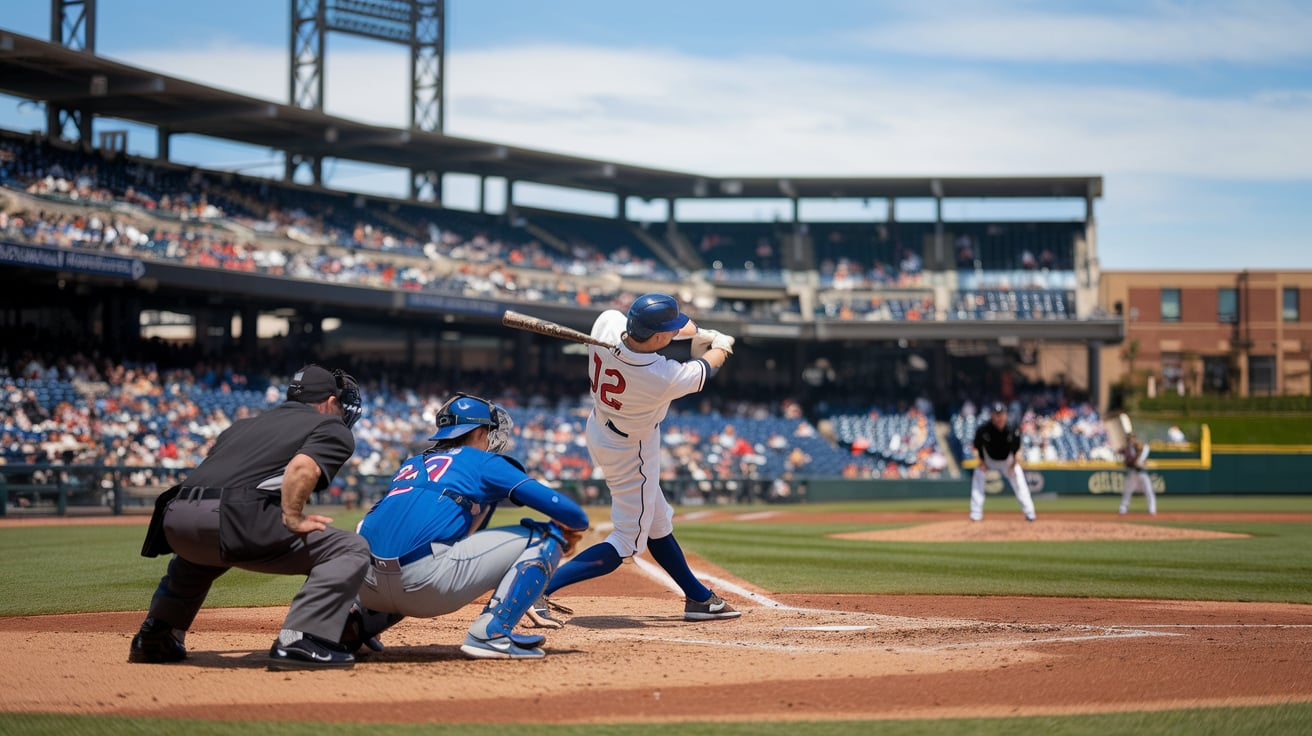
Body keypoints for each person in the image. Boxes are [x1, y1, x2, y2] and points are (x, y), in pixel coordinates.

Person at [129, 365, 370, 670]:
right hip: (233, 518)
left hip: (176, 519)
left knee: (196, 563)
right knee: (349, 548)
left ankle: (155, 635)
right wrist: (293, 517)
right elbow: (302, 469)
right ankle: (302, 641)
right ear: (329, 401)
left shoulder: (241, 425)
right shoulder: (331, 426)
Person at [533, 292, 742, 625]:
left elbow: (677, 330)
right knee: (627, 540)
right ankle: (537, 588)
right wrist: (720, 344)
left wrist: (695, 330)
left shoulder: (608, 323)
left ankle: (699, 598)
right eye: (667, 331)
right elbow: (707, 367)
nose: (672, 334)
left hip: (601, 428)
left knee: (657, 521)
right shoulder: (659, 376)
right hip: (633, 449)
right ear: (657, 336)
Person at [350, 393, 590, 660]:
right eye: (488, 431)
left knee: (393, 541)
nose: (490, 439)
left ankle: (354, 626)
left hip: (367, 587)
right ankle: (492, 634)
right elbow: (575, 515)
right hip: (425, 588)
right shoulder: (482, 461)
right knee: (546, 535)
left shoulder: (412, 463)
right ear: (478, 431)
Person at [969, 402, 1037, 522]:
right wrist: (982, 463)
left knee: (1018, 477)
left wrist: (1013, 465)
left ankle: (1030, 513)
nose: (999, 417)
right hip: (989, 460)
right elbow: (976, 447)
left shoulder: (1012, 428)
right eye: (996, 414)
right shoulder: (984, 429)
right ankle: (976, 514)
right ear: (992, 415)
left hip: (1007, 461)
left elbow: (1018, 451)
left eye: (1001, 414)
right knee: (978, 473)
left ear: (1006, 415)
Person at [1119, 432, 1157, 515]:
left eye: (1133, 438)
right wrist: (1135, 461)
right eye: (1130, 438)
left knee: (1148, 490)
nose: (1132, 439)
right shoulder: (1126, 449)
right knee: (1127, 492)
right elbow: (1125, 458)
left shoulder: (1139, 447)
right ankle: (1123, 508)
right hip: (1132, 472)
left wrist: (1141, 461)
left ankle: (1152, 509)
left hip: (1142, 472)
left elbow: (1146, 449)